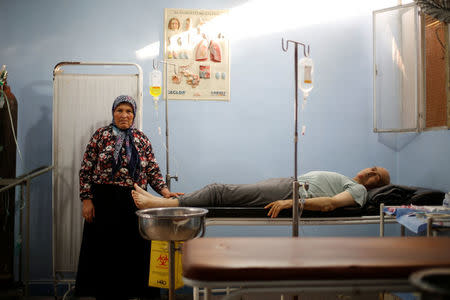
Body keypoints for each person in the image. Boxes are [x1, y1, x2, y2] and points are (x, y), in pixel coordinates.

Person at [75, 95, 182, 300]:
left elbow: (152, 169)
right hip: (104, 201)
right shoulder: (101, 135)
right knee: (106, 253)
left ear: (134, 114)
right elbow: (86, 169)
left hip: (135, 200)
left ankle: (137, 293)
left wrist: (165, 193)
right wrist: (87, 200)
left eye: (129, 111)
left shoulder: (141, 139)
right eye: (119, 110)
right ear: (113, 112)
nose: (124, 115)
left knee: (136, 252)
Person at [132, 167, 390, 218]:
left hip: (291, 190)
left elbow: (330, 205)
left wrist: (290, 203)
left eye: (376, 175)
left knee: (218, 191)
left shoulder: (358, 190)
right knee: (219, 192)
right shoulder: (350, 180)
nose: (369, 172)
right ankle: (176, 201)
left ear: (375, 185)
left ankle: (158, 203)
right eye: (373, 168)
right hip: (289, 183)